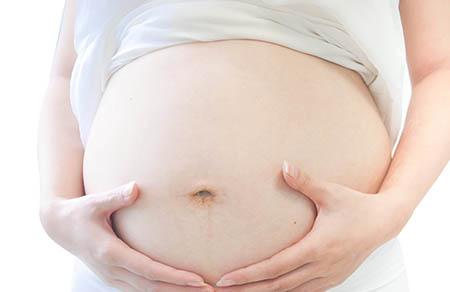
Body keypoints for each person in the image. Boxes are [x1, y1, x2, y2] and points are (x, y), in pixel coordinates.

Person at [38, 0, 450, 291]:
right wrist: (54, 208)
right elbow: (66, 73)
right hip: (122, 275)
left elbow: (440, 69)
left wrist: (393, 211)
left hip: (333, 274)